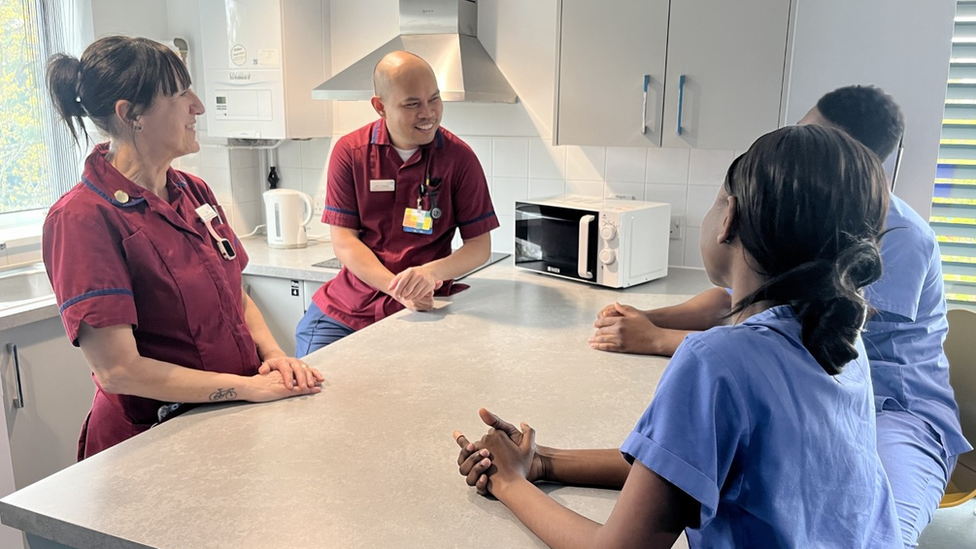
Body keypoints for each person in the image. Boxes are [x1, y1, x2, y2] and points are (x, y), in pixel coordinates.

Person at [454, 125, 901, 548]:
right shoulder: (841, 341)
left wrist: (509, 482)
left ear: (730, 219)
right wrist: (541, 462)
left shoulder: (718, 362)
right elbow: (679, 465)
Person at [589, 85, 971, 545]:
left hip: (901, 412)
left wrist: (660, 340)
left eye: (805, 141)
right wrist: (651, 318)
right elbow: (734, 304)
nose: (786, 149)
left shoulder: (898, 240)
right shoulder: (794, 301)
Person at [44, 36, 324, 459]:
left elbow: (236, 295)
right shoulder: (82, 218)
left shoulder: (192, 191)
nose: (198, 106)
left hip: (227, 420)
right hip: (153, 442)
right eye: (180, 95)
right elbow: (118, 370)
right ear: (130, 114)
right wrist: (247, 388)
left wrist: (275, 357)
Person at [295, 51, 497, 355]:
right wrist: (399, 288)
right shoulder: (351, 153)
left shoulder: (459, 159)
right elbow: (345, 242)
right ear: (380, 107)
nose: (428, 113)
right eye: (412, 104)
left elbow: (479, 247)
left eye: (434, 99)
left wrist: (430, 273)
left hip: (423, 311)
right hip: (346, 311)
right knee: (312, 388)